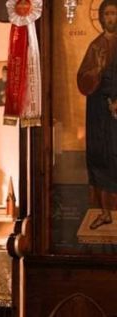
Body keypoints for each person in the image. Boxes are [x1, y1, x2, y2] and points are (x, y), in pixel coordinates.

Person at [77, 0, 117, 229]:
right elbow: (82, 80)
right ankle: (105, 213)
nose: (111, 18)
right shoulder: (95, 46)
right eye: (107, 14)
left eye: (114, 13)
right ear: (101, 17)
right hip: (98, 112)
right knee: (99, 156)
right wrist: (97, 70)